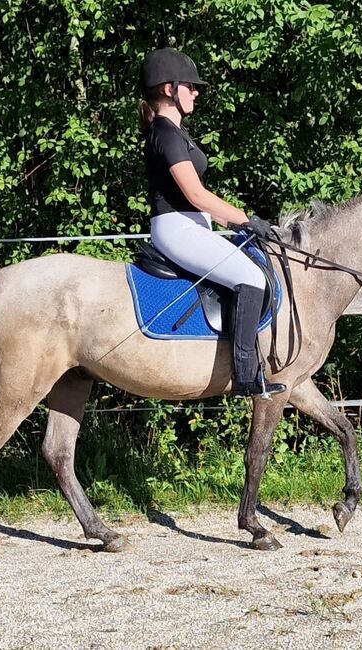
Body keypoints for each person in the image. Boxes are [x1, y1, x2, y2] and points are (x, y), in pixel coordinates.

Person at [139, 47, 285, 397]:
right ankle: (246, 375)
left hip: (191, 225)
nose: (196, 92)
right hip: (177, 227)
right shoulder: (165, 133)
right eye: (190, 85)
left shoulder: (175, 133)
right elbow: (196, 194)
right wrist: (245, 220)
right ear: (168, 89)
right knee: (250, 278)